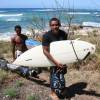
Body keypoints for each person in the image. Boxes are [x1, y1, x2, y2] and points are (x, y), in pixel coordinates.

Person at [42, 18, 68, 100]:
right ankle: (52, 93)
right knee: (54, 75)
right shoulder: (46, 36)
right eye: (53, 25)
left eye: (56, 24)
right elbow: (45, 51)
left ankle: (62, 89)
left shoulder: (63, 34)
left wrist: (65, 59)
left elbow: (65, 46)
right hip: (52, 58)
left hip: (62, 58)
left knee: (62, 73)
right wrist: (56, 62)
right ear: (50, 26)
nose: (55, 26)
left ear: (59, 25)